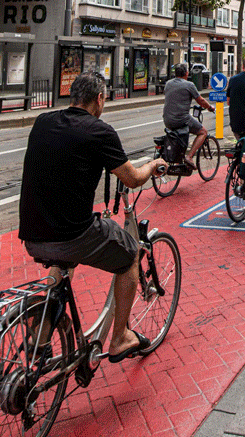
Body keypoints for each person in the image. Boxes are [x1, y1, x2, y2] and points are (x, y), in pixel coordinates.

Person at [19, 71, 167, 363]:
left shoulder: (43, 121)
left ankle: (41, 337)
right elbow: (133, 178)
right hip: (73, 235)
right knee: (131, 255)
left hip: (32, 236)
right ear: (100, 98)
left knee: (63, 265)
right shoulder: (99, 131)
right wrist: (152, 165)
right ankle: (121, 336)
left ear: (72, 96)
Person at [161, 63, 215, 170]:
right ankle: (189, 157)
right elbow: (201, 101)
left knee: (179, 137)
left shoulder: (168, 84)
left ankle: (178, 159)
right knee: (203, 132)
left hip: (167, 120)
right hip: (181, 119)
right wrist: (210, 108)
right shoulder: (189, 85)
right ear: (187, 73)